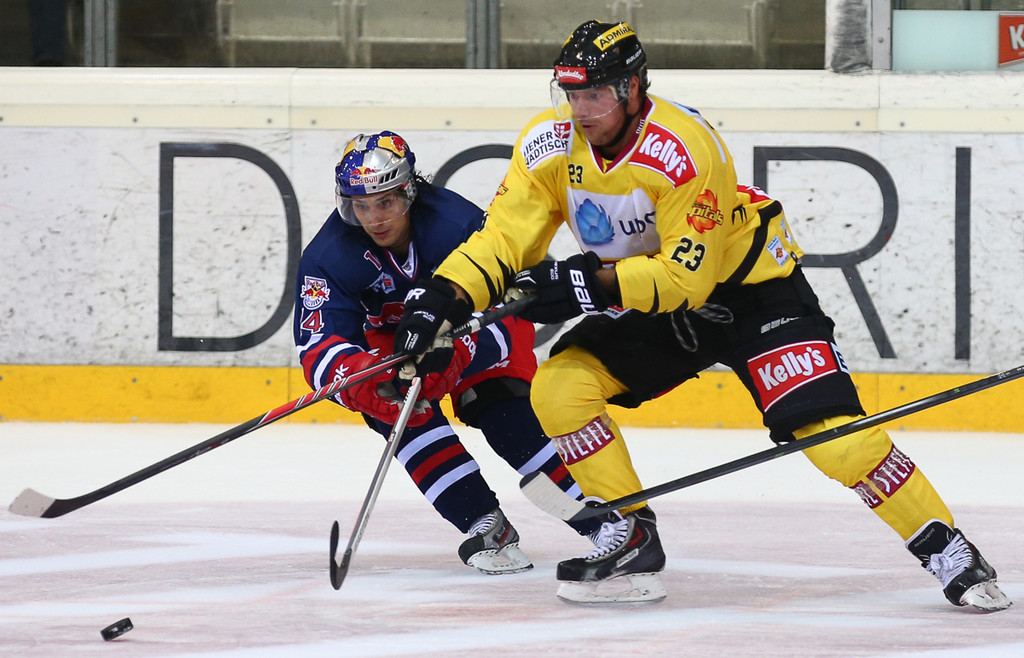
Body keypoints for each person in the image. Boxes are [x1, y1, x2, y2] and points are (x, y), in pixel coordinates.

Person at [390, 20, 1012, 609]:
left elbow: (687, 278)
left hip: (752, 295)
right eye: (571, 95)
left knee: (834, 440)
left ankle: (947, 548)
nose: (581, 110)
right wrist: (444, 297)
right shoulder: (548, 144)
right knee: (560, 386)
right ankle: (630, 533)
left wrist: (588, 283)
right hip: (649, 298)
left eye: (596, 95)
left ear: (633, 89)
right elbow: (504, 239)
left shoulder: (684, 147)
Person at [292, 131, 603, 575]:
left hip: (476, 330)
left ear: (408, 191)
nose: (374, 219)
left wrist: (454, 348)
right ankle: (484, 523)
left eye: (385, 202)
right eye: (360, 206)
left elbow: (501, 300)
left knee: (501, 411)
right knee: (398, 410)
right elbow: (318, 344)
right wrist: (366, 376)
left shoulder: (457, 223)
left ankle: (603, 522)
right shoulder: (328, 255)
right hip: (391, 345)